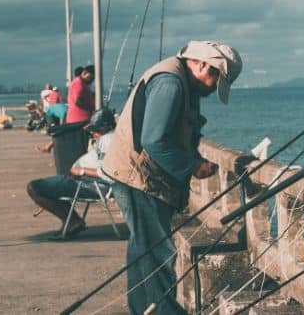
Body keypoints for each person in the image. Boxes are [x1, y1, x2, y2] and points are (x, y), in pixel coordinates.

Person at [102, 40, 242, 314]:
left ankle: (144, 309)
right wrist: (192, 166)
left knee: (142, 251)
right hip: (137, 179)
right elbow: (154, 141)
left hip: (139, 178)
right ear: (202, 64)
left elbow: (181, 129)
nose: (214, 88)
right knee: (157, 253)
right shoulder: (171, 84)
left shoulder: (185, 83)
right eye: (215, 78)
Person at [26, 108, 116, 239]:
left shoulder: (108, 140)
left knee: (34, 187)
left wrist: (81, 171)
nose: (92, 132)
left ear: (104, 128)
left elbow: (108, 172)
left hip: (90, 185)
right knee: (46, 187)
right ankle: (73, 221)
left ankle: (73, 221)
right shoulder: (108, 138)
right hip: (83, 181)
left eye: (95, 129)